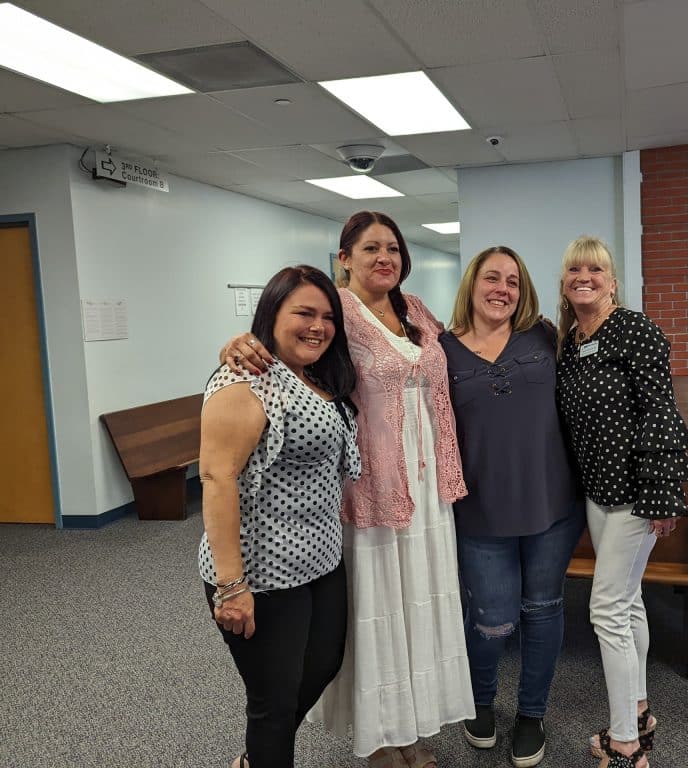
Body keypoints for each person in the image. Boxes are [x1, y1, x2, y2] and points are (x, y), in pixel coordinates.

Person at [221, 211, 472, 768]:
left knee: (421, 606)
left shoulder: (416, 311)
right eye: (370, 248)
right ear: (345, 258)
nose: (385, 257)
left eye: (393, 248)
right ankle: (382, 739)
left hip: (429, 487)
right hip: (374, 488)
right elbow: (289, 349)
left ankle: (410, 731)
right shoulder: (336, 314)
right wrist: (240, 343)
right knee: (382, 608)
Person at [198, 265, 361, 768]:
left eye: (327, 317)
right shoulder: (244, 379)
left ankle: (257, 758)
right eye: (304, 313)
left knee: (323, 666)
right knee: (272, 702)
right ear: (272, 314)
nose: (318, 326)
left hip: (319, 561)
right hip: (261, 574)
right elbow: (217, 479)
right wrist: (231, 585)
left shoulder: (316, 374)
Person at [439, 247, 584, 768]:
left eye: (513, 282)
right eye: (492, 278)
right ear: (471, 285)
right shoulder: (440, 350)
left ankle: (531, 713)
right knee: (491, 619)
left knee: (542, 612)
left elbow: (600, 332)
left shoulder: (545, 336)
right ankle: (478, 701)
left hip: (552, 507)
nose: (502, 289)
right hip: (482, 512)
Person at [554, 236, 688, 768]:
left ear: (612, 282)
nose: (583, 275)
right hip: (598, 492)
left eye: (596, 269)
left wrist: (664, 495)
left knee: (606, 609)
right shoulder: (571, 340)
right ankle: (638, 709)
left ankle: (624, 743)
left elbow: (661, 411)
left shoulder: (635, 330)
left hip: (638, 492)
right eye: (574, 268)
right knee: (628, 601)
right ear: (565, 282)